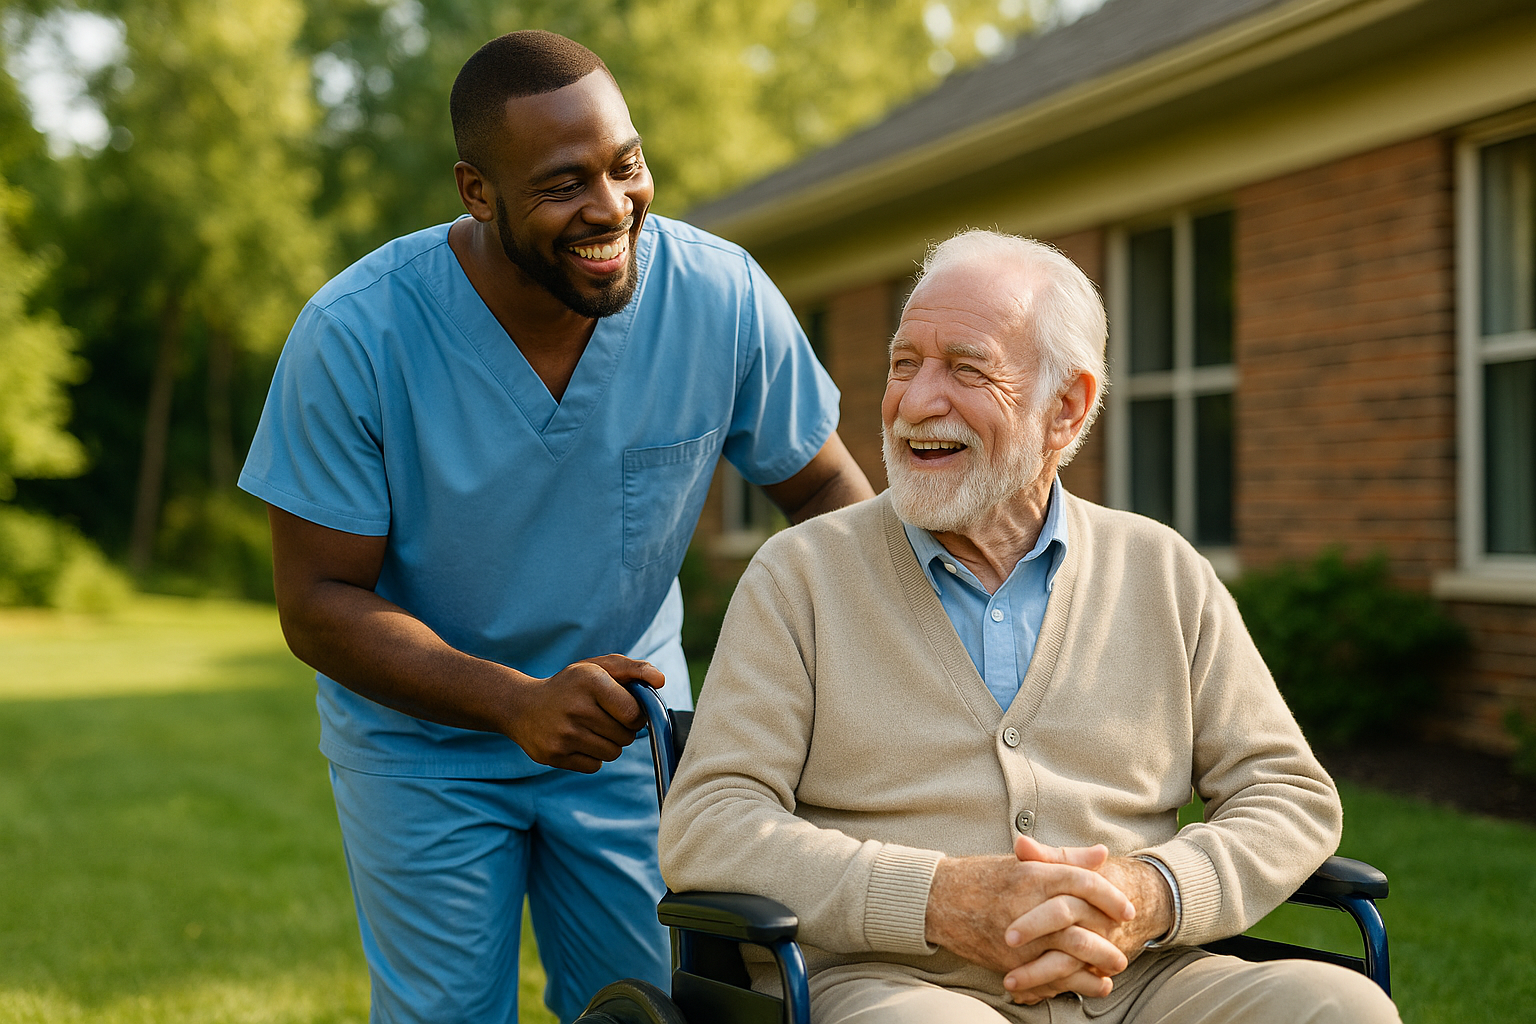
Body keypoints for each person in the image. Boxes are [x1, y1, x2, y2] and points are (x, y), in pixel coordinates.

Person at [238, 30, 873, 1024]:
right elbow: (318, 603)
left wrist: (871, 681)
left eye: (626, 165)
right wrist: (516, 704)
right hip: (421, 748)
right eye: (564, 183)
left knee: (651, 1006)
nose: (613, 207)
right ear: (477, 191)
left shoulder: (719, 297)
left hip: (627, 732)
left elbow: (833, 503)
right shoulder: (356, 336)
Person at [658, 229, 1401, 1024]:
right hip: (895, 985)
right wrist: (938, 899)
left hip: (1139, 984)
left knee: (1338, 1006)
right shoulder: (799, 577)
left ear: (1066, 408)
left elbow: (1288, 794)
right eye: (904, 363)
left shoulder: (1162, 571)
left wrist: (1152, 892)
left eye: (966, 368)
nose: (914, 402)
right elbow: (710, 825)